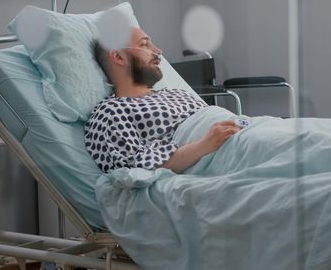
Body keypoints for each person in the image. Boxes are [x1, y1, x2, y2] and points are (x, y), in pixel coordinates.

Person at [85, 27, 242, 174]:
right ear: (119, 57)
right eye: (145, 45)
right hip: (222, 150)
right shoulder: (110, 111)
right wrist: (204, 145)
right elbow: (131, 169)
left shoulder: (176, 92)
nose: (158, 51)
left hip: (240, 130)